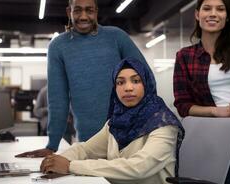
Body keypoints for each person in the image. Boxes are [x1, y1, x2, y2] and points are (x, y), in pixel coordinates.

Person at [15, 0, 148, 158]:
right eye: (77, 10)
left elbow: (146, 78)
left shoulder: (116, 37)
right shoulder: (58, 46)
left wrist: (144, 121)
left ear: (96, 12)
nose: (83, 16)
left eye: (89, 10)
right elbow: (58, 99)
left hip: (128, 136)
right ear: (68, 12)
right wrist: (52, 144)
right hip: (89, 143)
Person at [40, 57, 184, 184]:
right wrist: (55, 162)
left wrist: (70, 166)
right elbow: (85, 149)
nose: (128, 88)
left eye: (136, 81)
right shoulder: (115, 123)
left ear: (147, 84)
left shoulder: (164, 123)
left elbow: (139, 167)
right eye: (120, 83)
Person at [173, 0, 230, 183]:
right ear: (198, 15)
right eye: (207, 8)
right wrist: (216, 112)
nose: (213, 14)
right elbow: (183, 105)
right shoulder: (185, 56)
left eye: (220, 9)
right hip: (215, 140)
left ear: (228, 16)